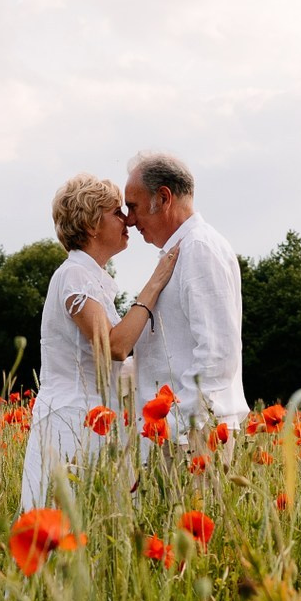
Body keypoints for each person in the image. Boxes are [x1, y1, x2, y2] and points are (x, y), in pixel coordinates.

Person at [18, 173, 179, 511]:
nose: (128, 220)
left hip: (94, 417)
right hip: (72, 419)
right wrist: (154, 284)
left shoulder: (91, 277)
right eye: (116, 212)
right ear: (92, 224)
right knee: (64, 522)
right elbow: (114, 347)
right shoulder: (74, 274)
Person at [123, 151, 248, 450]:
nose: (129, 220)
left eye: (133, 207)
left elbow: (218, 354)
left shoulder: (200, 249)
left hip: (194, 435)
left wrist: (173, 424)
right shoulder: (183, 251)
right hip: (179, 433)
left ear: (163, 198)